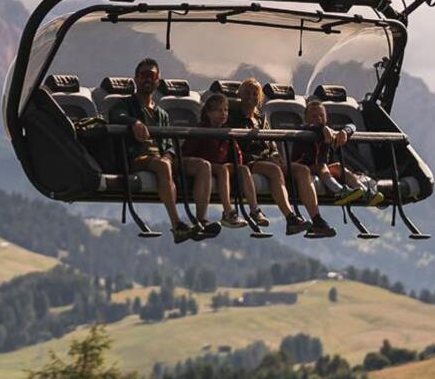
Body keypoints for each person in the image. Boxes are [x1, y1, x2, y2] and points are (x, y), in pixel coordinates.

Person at [107, 58, 210, 242]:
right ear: (136, 79)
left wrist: (169, 156)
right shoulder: (126, 105)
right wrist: (134, 123)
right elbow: (116, 115)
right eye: (143, 75)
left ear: (157, 80)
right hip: (139, 157)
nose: (147, 79)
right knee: (163, 167)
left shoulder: (162, 114)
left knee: (203, 166)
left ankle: (201, 221)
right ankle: (177, 225)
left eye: (151, 76)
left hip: (162, 157)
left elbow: (169, 142)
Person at [239, 78, 334, 238]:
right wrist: (266, 159)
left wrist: (276, 156)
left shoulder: (261, 118)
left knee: (302, 170)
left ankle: (316, 219)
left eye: (255, 94)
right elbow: (236, 145)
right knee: (275, 170)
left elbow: (271, 144)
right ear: (241, 95)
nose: (251, 97)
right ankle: (290, 218)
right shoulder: (235, 117)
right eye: (247, 93)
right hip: (248, 160)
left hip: (268, 159)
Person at [180, 93, 251, 230]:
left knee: (242, 169)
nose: (223, 114)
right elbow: (188, 151)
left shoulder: (227, 132)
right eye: (218, 110)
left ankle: (254, 211)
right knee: (222, 169)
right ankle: (228, 212)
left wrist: (234, 165)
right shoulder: (201, 129)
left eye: (225, 110)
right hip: (202, 165)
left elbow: (238, 156)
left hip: (219, 166)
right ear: (209, 113)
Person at [295, 99, 372, 206]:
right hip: (302, 167)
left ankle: (362, 190)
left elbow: (352, 126)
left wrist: (345, 131)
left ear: (326, 117)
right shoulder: (303, 131)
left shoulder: (329, 131)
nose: (318, 118)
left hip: (322, 166)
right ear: (306, 119)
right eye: (314, 116)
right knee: (321, 166)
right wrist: (324, 133)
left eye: (321, 115)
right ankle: (339, 191)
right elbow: (319, 158)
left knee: (338, 166)